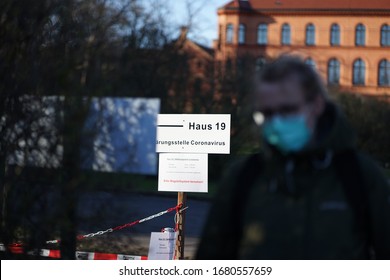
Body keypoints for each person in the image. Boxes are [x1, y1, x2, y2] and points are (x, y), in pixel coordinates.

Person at [196, 56, 390, 259]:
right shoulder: (243, 177)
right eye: (268, 113)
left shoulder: (359, 175)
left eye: (288, 110)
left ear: (316, 105)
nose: (277, 122)